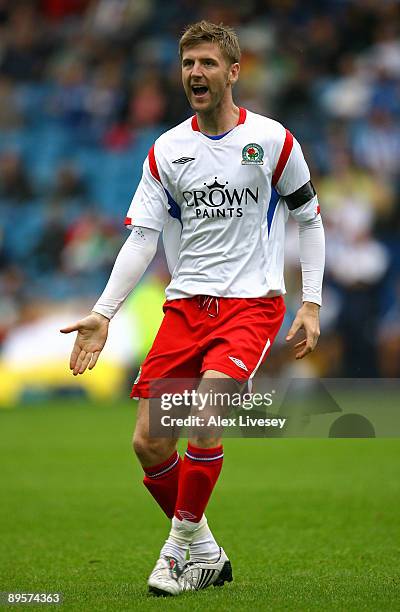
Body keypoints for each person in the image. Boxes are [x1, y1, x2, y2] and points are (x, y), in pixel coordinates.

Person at [61, 21, 325, 597]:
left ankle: (177, 554)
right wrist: (104, 313)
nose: (195, 74)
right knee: (149, 443)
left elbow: (309, 217)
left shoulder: (273, 141)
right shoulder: (167, 150)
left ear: (234, 72)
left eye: (207, 64)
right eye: (188, 65)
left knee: (205, 417)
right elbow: (140, 238)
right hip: (186, 308)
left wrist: (311, 302)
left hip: (251, 305)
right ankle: (205, 551)